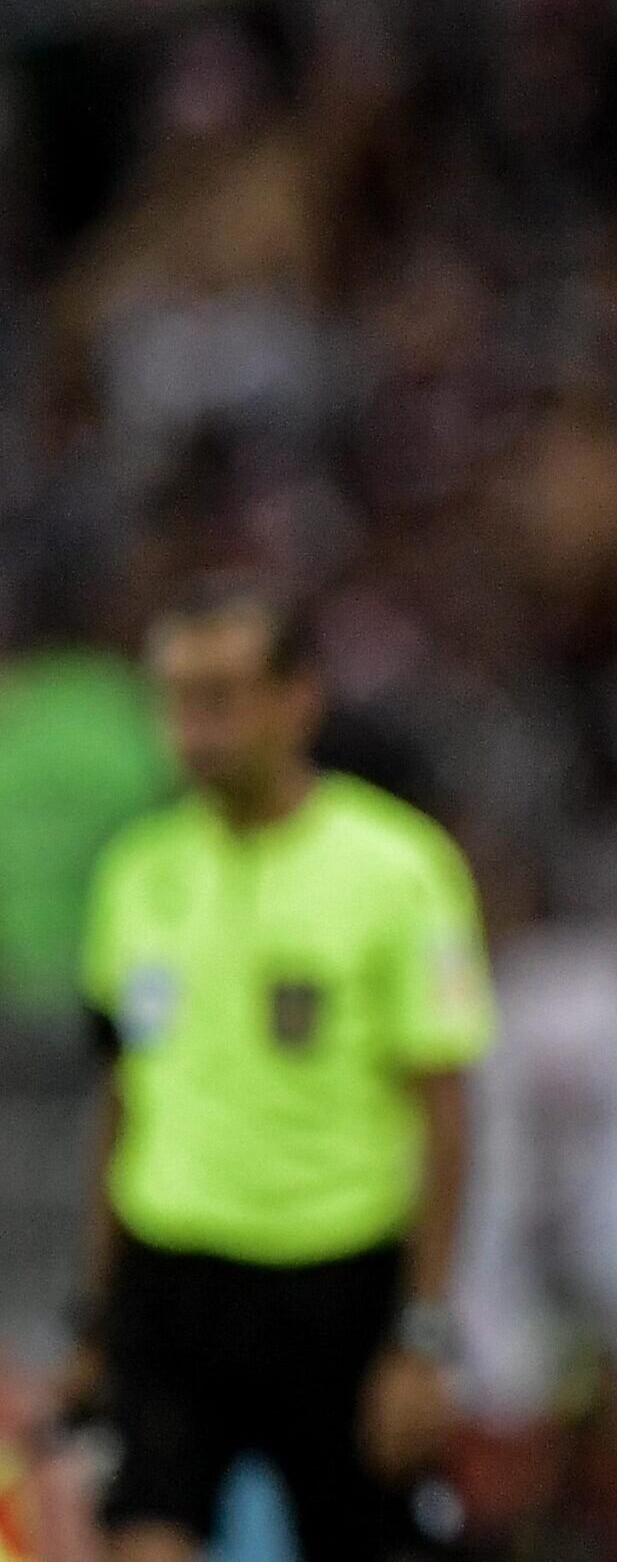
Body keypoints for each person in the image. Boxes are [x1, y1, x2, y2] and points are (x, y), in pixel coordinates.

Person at [60, 579, 493, 1561]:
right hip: (174, 1281)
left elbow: (448, 1113)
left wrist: (421, 1336)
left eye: (222, 696)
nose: (195, 729)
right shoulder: (137, 872)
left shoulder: (398, 869)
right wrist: (94, 1316)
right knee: (141, 1539)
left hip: (334, 1281)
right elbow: (125, 1100)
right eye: (177, 700)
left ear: (300, 699)